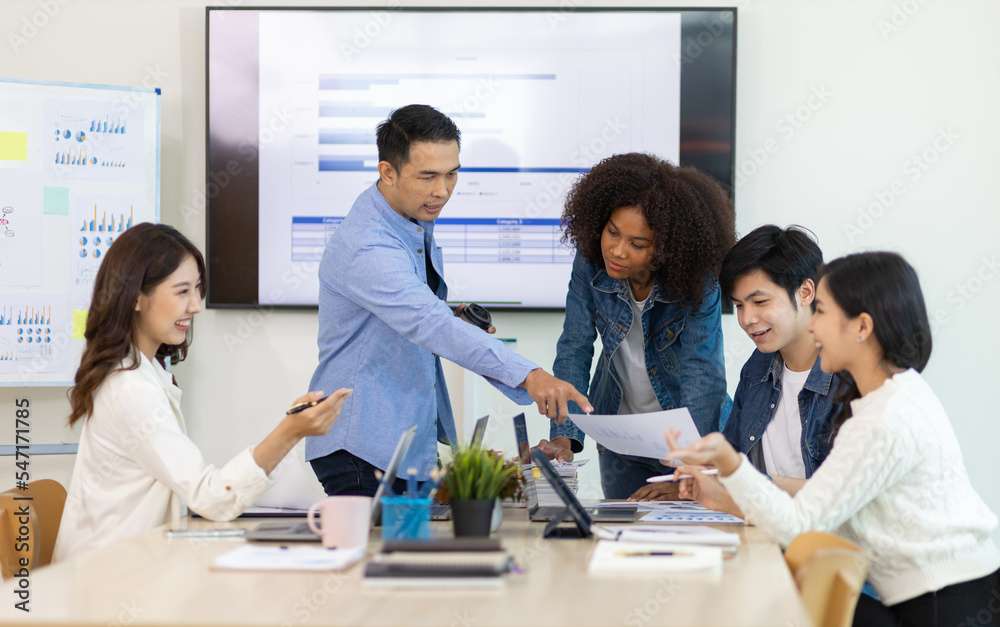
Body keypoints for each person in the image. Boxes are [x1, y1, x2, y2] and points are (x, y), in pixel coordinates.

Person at [666, 252, 1000, 626]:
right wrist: (727, 498)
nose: (813, 328)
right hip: (944, 590)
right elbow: (828, 511)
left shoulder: (884, 418)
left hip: (945, 600)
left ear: (861, 327)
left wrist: (731, 464)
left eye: (821, 312)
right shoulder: (895, 393)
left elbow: (802, 525)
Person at [307, 104, 591, 497]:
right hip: (364, 448)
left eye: (452, 173)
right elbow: (430, 326)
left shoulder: (408, 219)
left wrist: (449, 311)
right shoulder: (367, 245)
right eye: (427, 176)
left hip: (401, 442)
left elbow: (417, 312)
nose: (442, 190)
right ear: (387, 172)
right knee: (381, 558)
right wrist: (531, 376)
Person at [54, 224, 350, 562]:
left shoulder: (145, 373)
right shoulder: (130, 388)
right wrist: (290, 432)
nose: (196, 305)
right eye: (182, 292)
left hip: (129, 566)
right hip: (106, 582)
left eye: (197, 289)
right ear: (136, 296)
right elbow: (211, 498)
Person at [533, 152, 735, 500]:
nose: (617, 250)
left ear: (666, 250)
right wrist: (562, 439)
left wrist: (691, 472)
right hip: (620, 435)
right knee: (621, 535)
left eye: (637, 244)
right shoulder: (590, 263)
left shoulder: (697, 281)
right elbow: (575, 347)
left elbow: (703, 375)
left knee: (692, 537)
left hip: (687, 437)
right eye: (612, 232)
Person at [630, 224, 839, 505]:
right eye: (739, 305)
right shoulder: (758, 368)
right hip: (764, 528)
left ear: (805, 291)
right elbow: (729, 464)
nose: (747, 319)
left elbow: (844, 495)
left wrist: (744, 478)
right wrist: (698, 485)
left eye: (760, 301)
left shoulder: (850, 376)